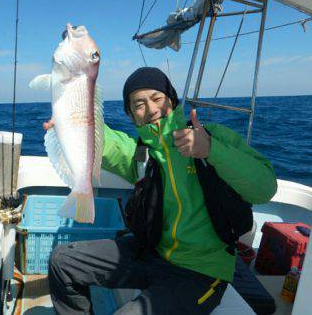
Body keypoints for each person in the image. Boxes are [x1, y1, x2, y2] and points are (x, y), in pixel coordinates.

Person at [44, 67, 277, 314]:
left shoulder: (212, 137)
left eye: (157, 98)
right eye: (139, 104)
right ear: (131, 115)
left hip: (201, 272)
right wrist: (71, 127)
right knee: (62, 261)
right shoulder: (142, 153)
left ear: (172, 101)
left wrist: (211, 150)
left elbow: (265, 188)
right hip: (153, 251)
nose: (151, 109)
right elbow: (107, 142)